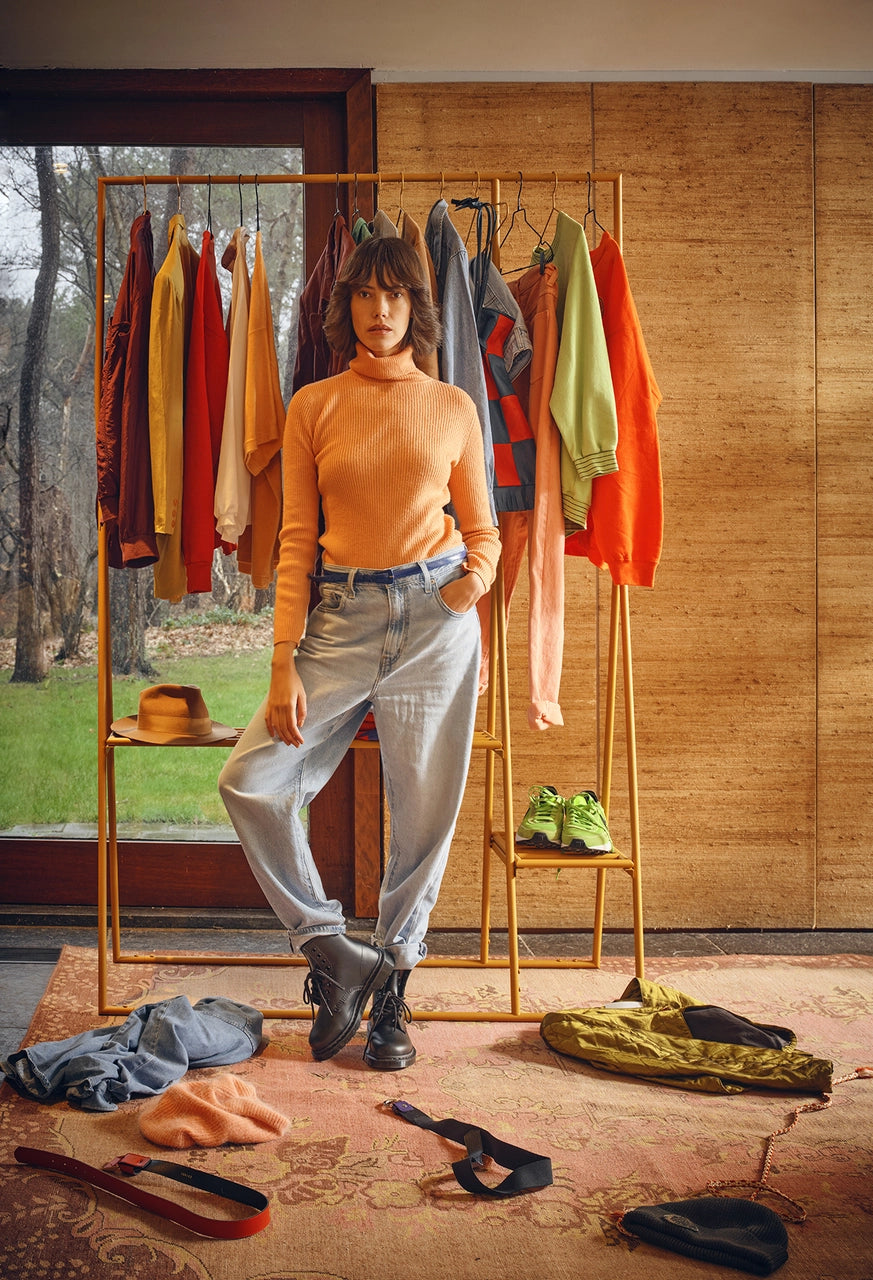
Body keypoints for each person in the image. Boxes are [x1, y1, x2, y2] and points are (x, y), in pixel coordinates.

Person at [219, 235, 501, 1071]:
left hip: (435, 622)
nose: (380, 311)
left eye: (396, 297)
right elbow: (297, 539)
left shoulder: (453, 406)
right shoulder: (314, 406)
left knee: (424, 816)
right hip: (338, 619)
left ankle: (394, 999)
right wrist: (281, 659)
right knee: (252, 781)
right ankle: (336, 952)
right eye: (365, 297)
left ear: (417, 308)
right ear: (345, 308)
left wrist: (465, 587)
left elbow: (482, 532)